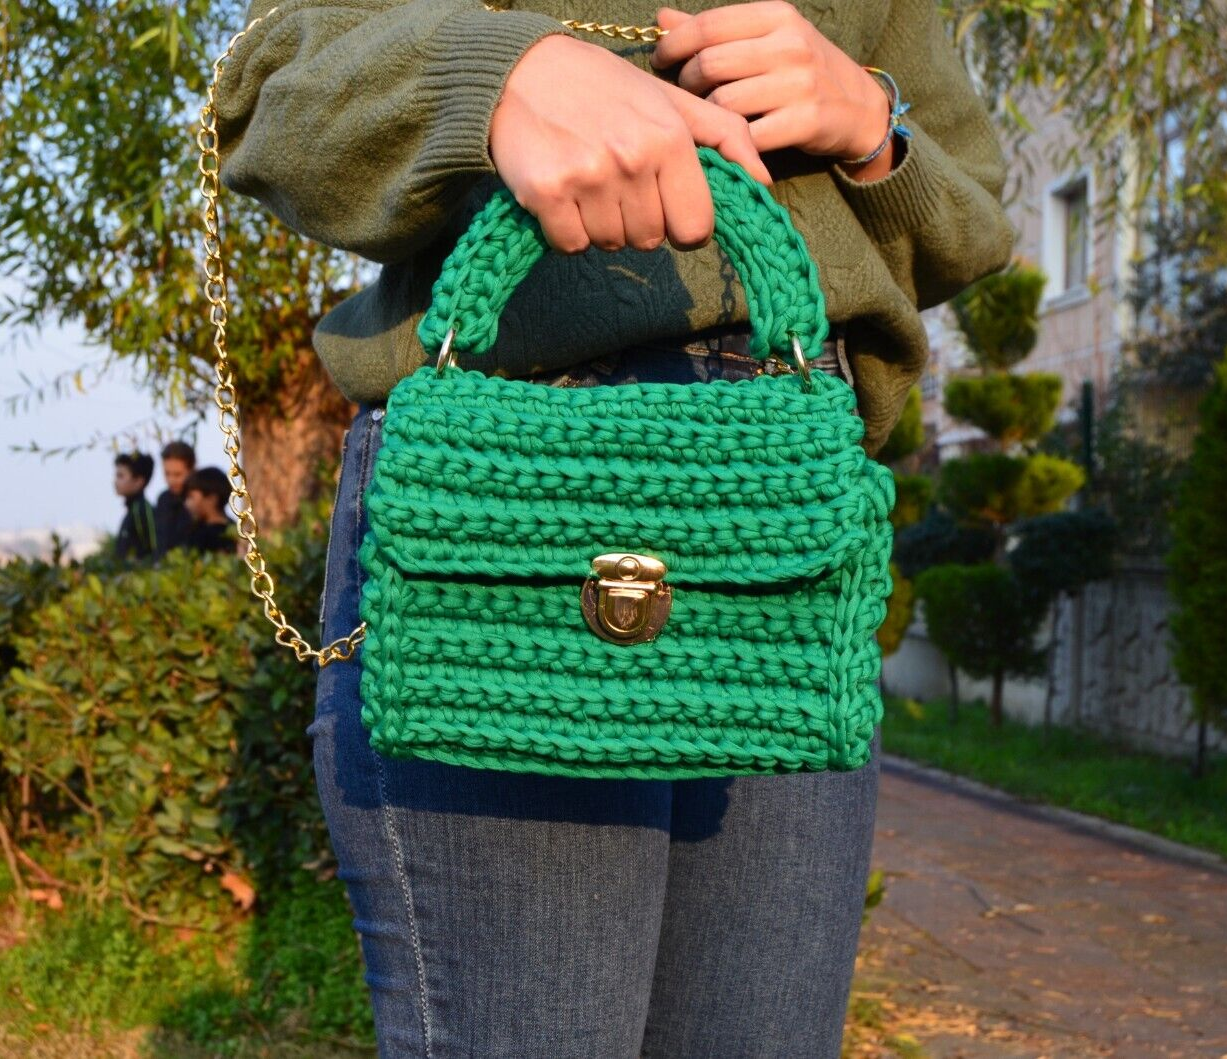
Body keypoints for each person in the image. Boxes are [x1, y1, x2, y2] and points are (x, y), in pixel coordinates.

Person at [215, 0, 1014, 1054]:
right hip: (505, 465)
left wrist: (872, 125)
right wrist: (496, 78)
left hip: (777, 495)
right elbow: (269, 86)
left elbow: (970, 218)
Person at [154, 440, 197, 558]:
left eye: (177, 474)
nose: (171, 480)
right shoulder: (163, 500)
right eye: (167, 474)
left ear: (191, 470)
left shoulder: (200, 500)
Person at [181, 466, 238, 555]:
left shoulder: (229, 534)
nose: (187, 503)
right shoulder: (193, 529)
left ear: (212, 498)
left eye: (191, 497)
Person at [112, 451, 158, 561]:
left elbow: (155, 551)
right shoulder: (132, 510)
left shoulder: (142, 510)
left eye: (121, 476)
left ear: (139, 481)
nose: (115, 482)